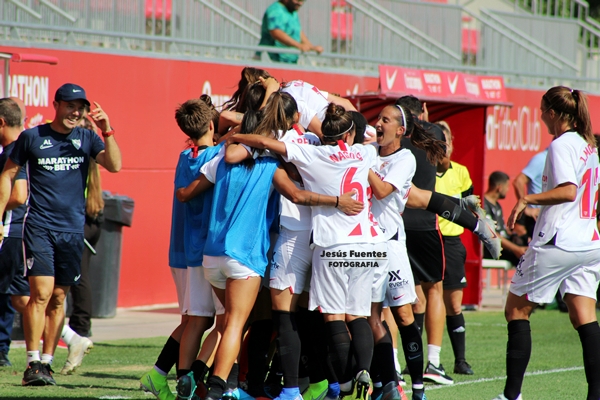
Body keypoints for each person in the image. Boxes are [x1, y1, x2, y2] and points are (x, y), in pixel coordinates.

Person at [177, 96, 363, 400]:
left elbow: (186, 193)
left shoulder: (219, 159)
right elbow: (299, 196)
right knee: (235, 325)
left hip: (211, 256)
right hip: (244, 256)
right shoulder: (268, 165)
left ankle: (198, 378)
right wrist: (338, 201)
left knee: (225, 323)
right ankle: (216, 389)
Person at [229, 102, 384, 400]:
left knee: (290, 315)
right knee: (351, 316)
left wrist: (233, 137)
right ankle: (348, 378)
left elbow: (260, 149)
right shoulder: (362, 151)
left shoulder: (300, 147)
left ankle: (293, 389)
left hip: (308, 239)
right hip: (364, 242)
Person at [0, 83, 122, 386]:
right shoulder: (33, 137)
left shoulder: (87, 138)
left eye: (80, 107)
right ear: (56, 105)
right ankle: (32, 362)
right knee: (39, 295)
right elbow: (7, 173)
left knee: (58, 299)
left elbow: (115, 165)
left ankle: (48, 364)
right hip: (39, 227)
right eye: (69, 105)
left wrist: (107, 130)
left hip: (72, 231)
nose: (75, 111)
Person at [494, 86, 600, 400]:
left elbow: (568, 191)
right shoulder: (587, 145)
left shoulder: (561, 145)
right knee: (584, 316)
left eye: (542, 110)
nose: (540, 116)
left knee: (516, 311)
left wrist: (527, 198)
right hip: (588, 243)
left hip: (558, 241)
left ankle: (511, 396)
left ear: (552, 113)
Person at [434, 121, 474, 376]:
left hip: (451, 244)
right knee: (420, 302)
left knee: (453, 304)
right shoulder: (423, 170)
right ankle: (423, 360)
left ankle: (460, 360)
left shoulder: (461, 172)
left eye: (447, 140)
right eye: (440, 141)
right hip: (427, 240)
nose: (445, 145)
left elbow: (471, 207)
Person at [0, 97, 28, 368]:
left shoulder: (14, 152)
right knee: (16, 295)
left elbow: (19, 196)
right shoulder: (27, 147)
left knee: (15, 295)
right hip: (23, 231)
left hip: (12, 231)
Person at [483, 172, 528, 265]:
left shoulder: (497, 205)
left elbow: (502, 230)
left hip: (503, 245)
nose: (508, 190)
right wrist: (517, 249)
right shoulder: (483, 205)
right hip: (491, 248)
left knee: (527, 245)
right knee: (525, 257)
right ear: (499, 187)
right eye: (507, 186)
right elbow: (492, 234)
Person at [257, 0, 323, 64]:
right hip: (273, 60)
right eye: (298, 0)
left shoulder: (292, 12)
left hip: (289, 61)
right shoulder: (275, 10)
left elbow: (298, 31)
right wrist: (299, 46)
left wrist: (311, 47)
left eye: (303, 0)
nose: (300, 3)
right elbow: (276, 33)